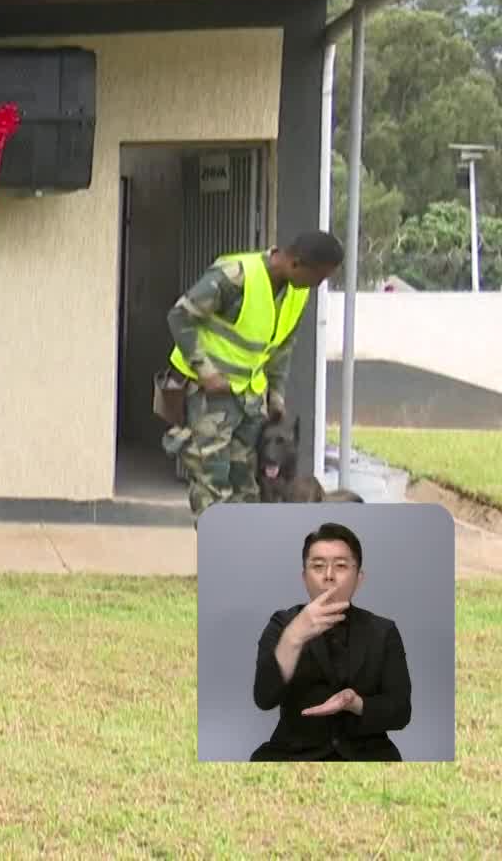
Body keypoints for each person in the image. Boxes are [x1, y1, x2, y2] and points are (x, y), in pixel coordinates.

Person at [163, 230, 342, 517]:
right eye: (318, 277)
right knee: (212, 489)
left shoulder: (297, 294)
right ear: (296, 264)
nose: (318, 285)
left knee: (247, 490)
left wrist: (276, 394)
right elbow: (180, 316)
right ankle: (218, 557)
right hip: (210, 397)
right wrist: (205, 371)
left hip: (248, 402)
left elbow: (282, 347)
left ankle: (243, 558)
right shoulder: (236, 277)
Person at [251, 522, 411, 761]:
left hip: (368, 754)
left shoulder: (383, 631)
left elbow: (400, 712)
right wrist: (294, 637)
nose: (328, 576)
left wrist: (355, 703)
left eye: (341, 566)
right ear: (304, 577)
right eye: (318, 566)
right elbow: (264, 698)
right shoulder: (282, 624)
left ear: (359, 578)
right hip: (295, 753)